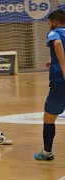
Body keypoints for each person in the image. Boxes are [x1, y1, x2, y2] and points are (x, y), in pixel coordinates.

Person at [34, 9, 65, 161]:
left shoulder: (55, 32)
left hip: (60, 82)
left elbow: (58, 43)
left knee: (49, 118)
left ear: (54, 22)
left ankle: (47, 153)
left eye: (48, 23)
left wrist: (63, 67)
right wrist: (54, 61)